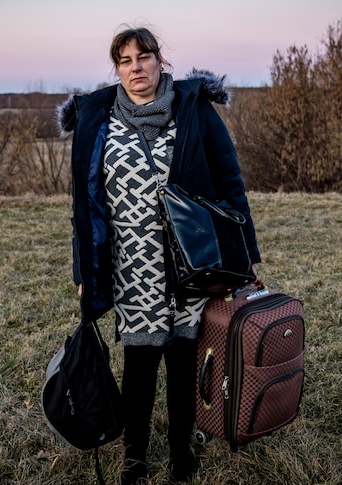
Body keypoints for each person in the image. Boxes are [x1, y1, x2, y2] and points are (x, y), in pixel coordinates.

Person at [57, 25, 261, 484]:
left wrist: (247, 258)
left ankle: (181, 451)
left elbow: (230, 184)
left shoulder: (193, 110)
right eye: (126, 60)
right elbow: (82, 205)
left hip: (191, 260)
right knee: (140, 362)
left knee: (185, 359)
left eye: (144, 57)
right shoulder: (97, 120)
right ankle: (134, 455)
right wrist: (84, 268)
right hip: (131, 262)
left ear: (160, 61)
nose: (136, 68)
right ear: (117, 68)